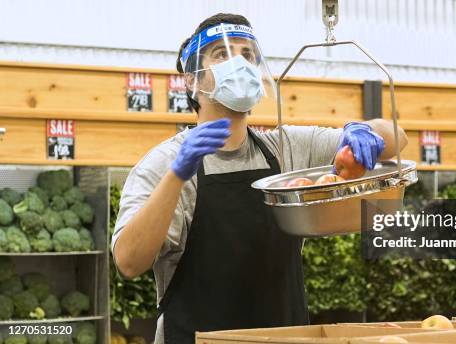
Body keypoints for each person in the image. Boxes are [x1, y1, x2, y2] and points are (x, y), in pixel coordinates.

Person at [111, 13, 408, 344]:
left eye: (248, 54)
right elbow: (128, 261)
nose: (239, 63)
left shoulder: (284, 148)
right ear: (191, 81)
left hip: (285, 337)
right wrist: (177, 175)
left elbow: (398, 138)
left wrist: (367, 131)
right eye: (222, 54)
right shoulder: (162, 164)